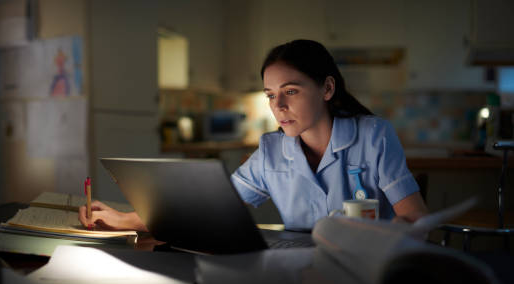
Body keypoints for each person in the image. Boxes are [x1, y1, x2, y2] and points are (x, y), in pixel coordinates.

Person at [79, 39, 428, 231]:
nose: (278, 106)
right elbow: (209, 208)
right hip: (300, 273)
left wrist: (389, 237)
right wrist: (130, 220)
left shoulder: (374, 136)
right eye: (271, 95)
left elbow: (416, 219)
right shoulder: (271, 151)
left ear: (327, 88)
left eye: (290, 91)